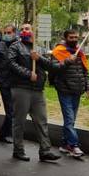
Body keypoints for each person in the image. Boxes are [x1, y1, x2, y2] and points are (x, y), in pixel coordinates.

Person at [8, 23, 64, 163]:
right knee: (19, 121)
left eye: (26, 29)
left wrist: (38, 58)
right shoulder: (15, 46)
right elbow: (11, 64)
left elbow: (51, 66)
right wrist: (28, 74)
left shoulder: (39, 48)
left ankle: (45, 150)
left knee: (41, 121)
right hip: (21, 88)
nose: (23, 31)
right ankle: (18, 150)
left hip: (38, 90)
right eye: (21, 29)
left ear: (33, 31)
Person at [51, 30, 89, 158]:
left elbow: (84, 72)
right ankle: (74, 145)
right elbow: (54, 68)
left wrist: (88, 87)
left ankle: (64, 144)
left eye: (75, 37)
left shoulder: (79, 52)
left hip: (77, 91)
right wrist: (68, 60)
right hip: (65, 91)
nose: (74, 39)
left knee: (71, 120)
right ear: (65, 38)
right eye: (71, 37)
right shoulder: (58, 52)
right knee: (69, 119)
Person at [0, 24, 18, 143]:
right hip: (4, 81)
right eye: (5, 33)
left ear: (14, 33)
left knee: (15, 110)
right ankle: (5, 134)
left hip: (17, 83)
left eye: (9, 32)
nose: (7, 35)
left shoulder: (18, 46)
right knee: (10, 110)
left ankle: (5, 133)